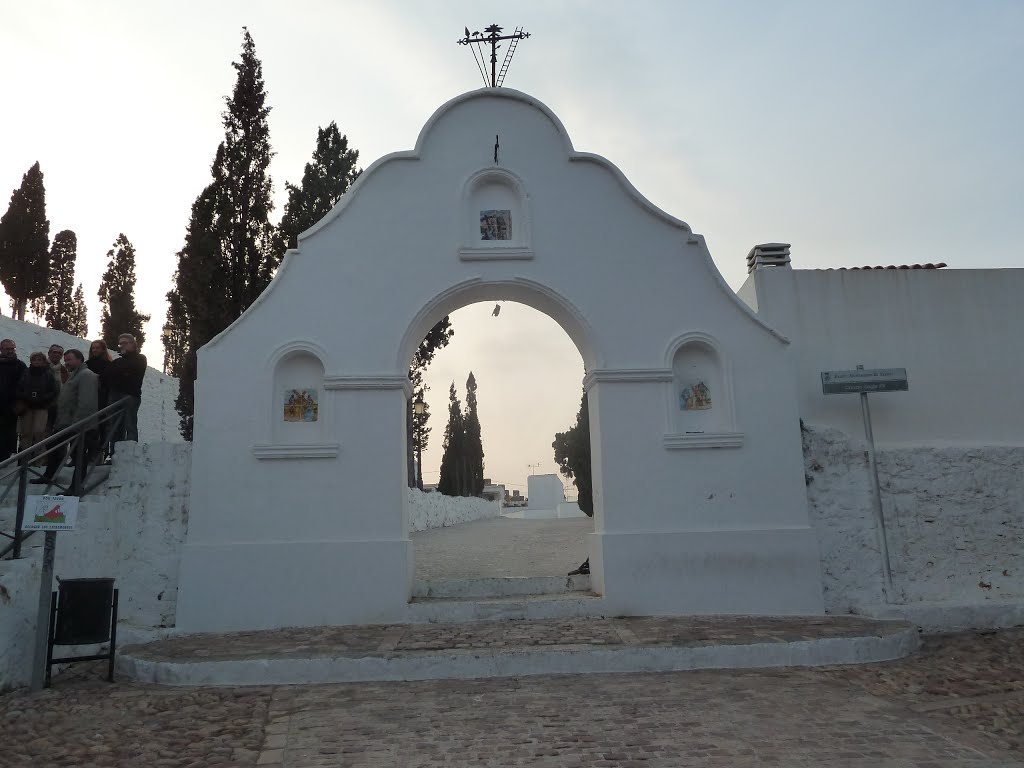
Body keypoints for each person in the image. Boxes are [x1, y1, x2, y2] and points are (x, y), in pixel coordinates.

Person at [32, 349, 99, 487]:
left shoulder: (86, 375)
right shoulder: (75, 375)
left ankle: (76, 487)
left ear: (79, 359)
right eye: (65, 359)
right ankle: (49, 476)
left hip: (78, 424)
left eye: (69, 359)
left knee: (79, 455)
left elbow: (86, 402)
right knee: (54, 446)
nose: (66, 362)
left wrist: (78, 423)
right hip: (65, 423)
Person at [101, 333, 146, 448]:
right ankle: (115, 454)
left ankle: (131, 451)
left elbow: (132, 371)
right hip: (115, 396)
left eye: (124, 343)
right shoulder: (117, 362)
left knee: (129, 424)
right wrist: (122, 374)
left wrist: (118, 374)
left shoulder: (141, 359)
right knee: (114, 425)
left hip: (131, 396)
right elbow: (106, 375)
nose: (121, 346)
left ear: (133, 344)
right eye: (120, 344)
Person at [16, 351, 60, 457]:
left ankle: (37, 457)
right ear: (31, 361)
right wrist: (26, 396)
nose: (37, 362)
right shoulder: (25, 372)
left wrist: (43, 398)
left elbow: (54, 391)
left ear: (44, 361)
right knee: (26, 433)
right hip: (27, 407)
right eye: (34, 359)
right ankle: (23, 457)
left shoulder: (48, 374)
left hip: (42, 407)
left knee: (39, 431)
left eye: (39, 360)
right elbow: (19, 388)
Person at [0, 339, 26, 461]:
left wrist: (20, 402)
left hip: (11, 407)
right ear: (1, 349)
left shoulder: (20, 365)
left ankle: (5, 459)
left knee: (8, 434)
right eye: (7, 349)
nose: (10, 351)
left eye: (12, 348)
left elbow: (25, 385)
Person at [86, 340, 113, 411]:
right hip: (87, 395)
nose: (95, 350)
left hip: (102, 397)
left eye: (97, 348)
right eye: (93, 348)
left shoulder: (109, 365)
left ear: (103, 350)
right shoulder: (87, 364)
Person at [46, 343, 67, 430]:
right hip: (43, 406)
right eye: (54, 352)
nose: (56, 354)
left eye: (59, 353)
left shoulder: (64, 370)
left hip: (58, 407)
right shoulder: (40, 366)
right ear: (49, 353)